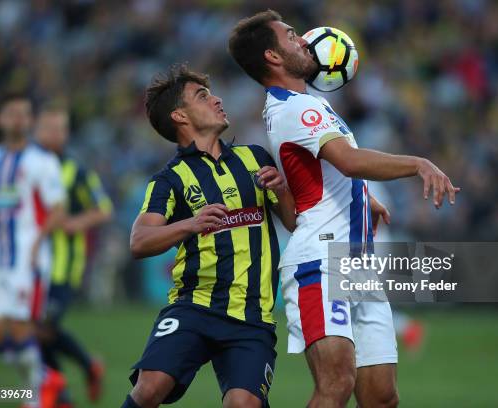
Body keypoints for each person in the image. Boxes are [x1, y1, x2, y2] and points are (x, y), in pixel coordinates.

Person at [229, 10, 460, 408]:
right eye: (291, 36)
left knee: (381, 396)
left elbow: (320, 172)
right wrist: (419, 163)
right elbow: (348, 160)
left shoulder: (301, 103)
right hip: (321, 260)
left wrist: (359, 197)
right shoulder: (297, 109)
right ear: (273, 57)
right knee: (335, 384)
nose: (303, 40)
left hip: (356, 264)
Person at [121, 65, 296, 408]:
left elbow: (292, 221)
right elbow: (139, 242)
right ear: (179, 116)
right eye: (202, 96)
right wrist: (190, 224)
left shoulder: (255, 159)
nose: (216, 99)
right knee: (149, 388)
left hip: (252, 318)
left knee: (242, 404)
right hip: (194, 308)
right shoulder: (169, 179)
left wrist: (283, 190)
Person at [0, 94, 67, 408]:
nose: (18, 119)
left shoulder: (42, 162)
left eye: (24, 114)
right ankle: (44, 380)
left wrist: (39, 241)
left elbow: (58, 209)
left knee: (19, 329)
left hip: (28, 261)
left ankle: (36, 396)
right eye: (12, 113)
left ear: (30, 122)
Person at [34, 105, 113, 406]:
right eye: (48, 128)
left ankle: (82, 370)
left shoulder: (75, 171)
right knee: (35, 330)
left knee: (43, 328)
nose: (53, 134)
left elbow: (103, 209)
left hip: (63, 265)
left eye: (59, 129)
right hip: (32, 265)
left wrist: (73, 224)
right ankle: (63, 390)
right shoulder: (29, 168)